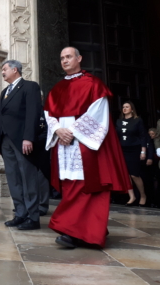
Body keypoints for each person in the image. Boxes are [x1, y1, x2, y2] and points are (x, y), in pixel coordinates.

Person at [45, 47, 130, 248]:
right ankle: (85, 232)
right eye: (62, 58)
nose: (64, 61)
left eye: (68, 57)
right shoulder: (56, 88)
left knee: (87, 188)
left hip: (84, 145)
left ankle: (77, 232)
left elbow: (97, 114)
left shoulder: (93, 84)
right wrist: (58, 130)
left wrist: (71, 132)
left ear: (79, 58)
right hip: (64, 145)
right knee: (70, 188)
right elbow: (48, 114)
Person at [0, 60, 42, 230]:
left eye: (4, 69)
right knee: (13, 178)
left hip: (22, 140)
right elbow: (1, 118)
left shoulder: (30, 87)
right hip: (6, 141)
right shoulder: (4, 92)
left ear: (15, 70)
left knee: (27, 178)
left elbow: (33, 113)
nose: (2, 72)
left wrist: (28, 137)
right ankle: (20, 213)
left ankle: (33, 217)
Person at [116, 102, 148, 206]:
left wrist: (143, 151)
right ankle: (132, 196)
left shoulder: (137, 120)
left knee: (134, 174)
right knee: (126, 174)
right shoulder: (119, 121)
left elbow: (143, 136)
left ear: (132, 109)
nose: (124, 109)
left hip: (134, 150)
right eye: (123, 107)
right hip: (122, 150)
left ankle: (143, 195)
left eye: (127, 107)